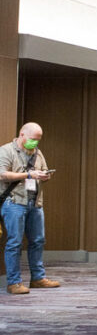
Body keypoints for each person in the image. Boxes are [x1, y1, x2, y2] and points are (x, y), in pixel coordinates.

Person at [0, 122, 59, 294]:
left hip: (35, 203)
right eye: (33, 139)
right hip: (14, 203)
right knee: (14, 243)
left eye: (38, 140)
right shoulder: (6, 151)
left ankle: (38, 278)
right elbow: (2, 174)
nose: (35, 143)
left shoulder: (37, 153)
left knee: (38, 241)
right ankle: (14, 282)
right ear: (22, 135)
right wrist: (28, 174)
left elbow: (44, 170)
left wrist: (45, 175)